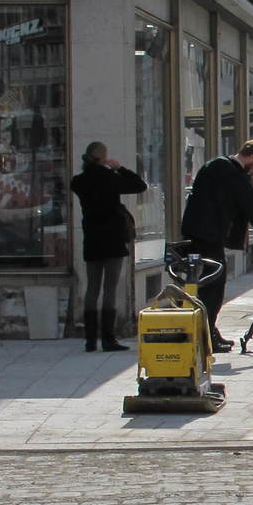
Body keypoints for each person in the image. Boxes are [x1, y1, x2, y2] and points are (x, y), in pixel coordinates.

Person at [179, 139, 253, 352]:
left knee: (206, 287)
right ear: (251, 157)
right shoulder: (236, 176)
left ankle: (207, 330)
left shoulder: (212, 165)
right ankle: (207, 335)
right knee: (215, 287)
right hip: (209, 238)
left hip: (195, 234)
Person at [70, 142, 147, 352]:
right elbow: (140, 185)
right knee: (110, 288)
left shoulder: (79, 181)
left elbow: (80, 184)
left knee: (92, 288)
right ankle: (108, 338)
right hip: (113, 238)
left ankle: (90, 340)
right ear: (104, 157)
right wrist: (118, 168)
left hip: (92, 239)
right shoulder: (112, 178)